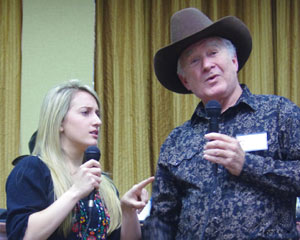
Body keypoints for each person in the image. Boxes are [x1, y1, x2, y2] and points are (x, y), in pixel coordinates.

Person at [142, 7, 300, 239]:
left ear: (234, 61)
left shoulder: (279, 113)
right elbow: (162, 221)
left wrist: (247, 165)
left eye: (213, 53)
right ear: (185, 81)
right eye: (194, 60)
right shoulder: (176, 142)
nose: (206, 65)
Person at [6, 80, 154, 240]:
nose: (98, 121)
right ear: (59, 121)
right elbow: (24, 236)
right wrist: (76, 191)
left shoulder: (102, 182)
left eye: (97, 114)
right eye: (85, 112)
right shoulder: (32, 170)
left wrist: (127, 211)